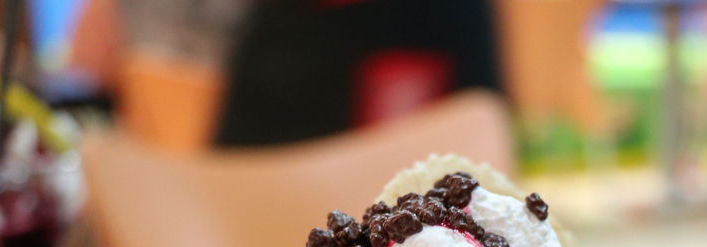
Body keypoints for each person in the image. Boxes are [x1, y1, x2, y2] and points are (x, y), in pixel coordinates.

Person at [215, 0, 503, 146]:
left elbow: (490, 139)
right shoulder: (279, 20)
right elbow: (230, 162)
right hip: (275, 220)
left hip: (420, 228)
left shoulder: (448, 14)